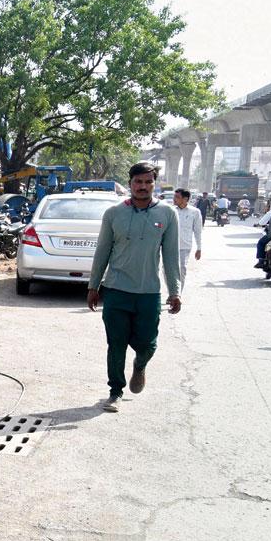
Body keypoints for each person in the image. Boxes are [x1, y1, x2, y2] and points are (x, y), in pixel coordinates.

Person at [87, 161, 181, 413]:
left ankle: (139, 366)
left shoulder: (167, 214)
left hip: (149, 292)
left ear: (154, 184)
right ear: (130, 184)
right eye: (138, 182)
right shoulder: (114, 213)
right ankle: (115, 392)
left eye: (148, 182)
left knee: (148, 344)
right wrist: (93, 285)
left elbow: (171, 257)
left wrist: (175, 291)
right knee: (116, 343)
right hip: (116, 290)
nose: (142, 186)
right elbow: (102, 251)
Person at [172, 188, 203, 287]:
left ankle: (177, 295)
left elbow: (198, 231)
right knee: (167, 271)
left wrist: (199, 248)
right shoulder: (171, 211)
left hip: (184, 247)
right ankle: (171, 292)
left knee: (182, 269)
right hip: (170, 246)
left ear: (185, 199)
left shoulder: (195, 212)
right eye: (174, 196)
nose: (174, 199)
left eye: (177, 197)